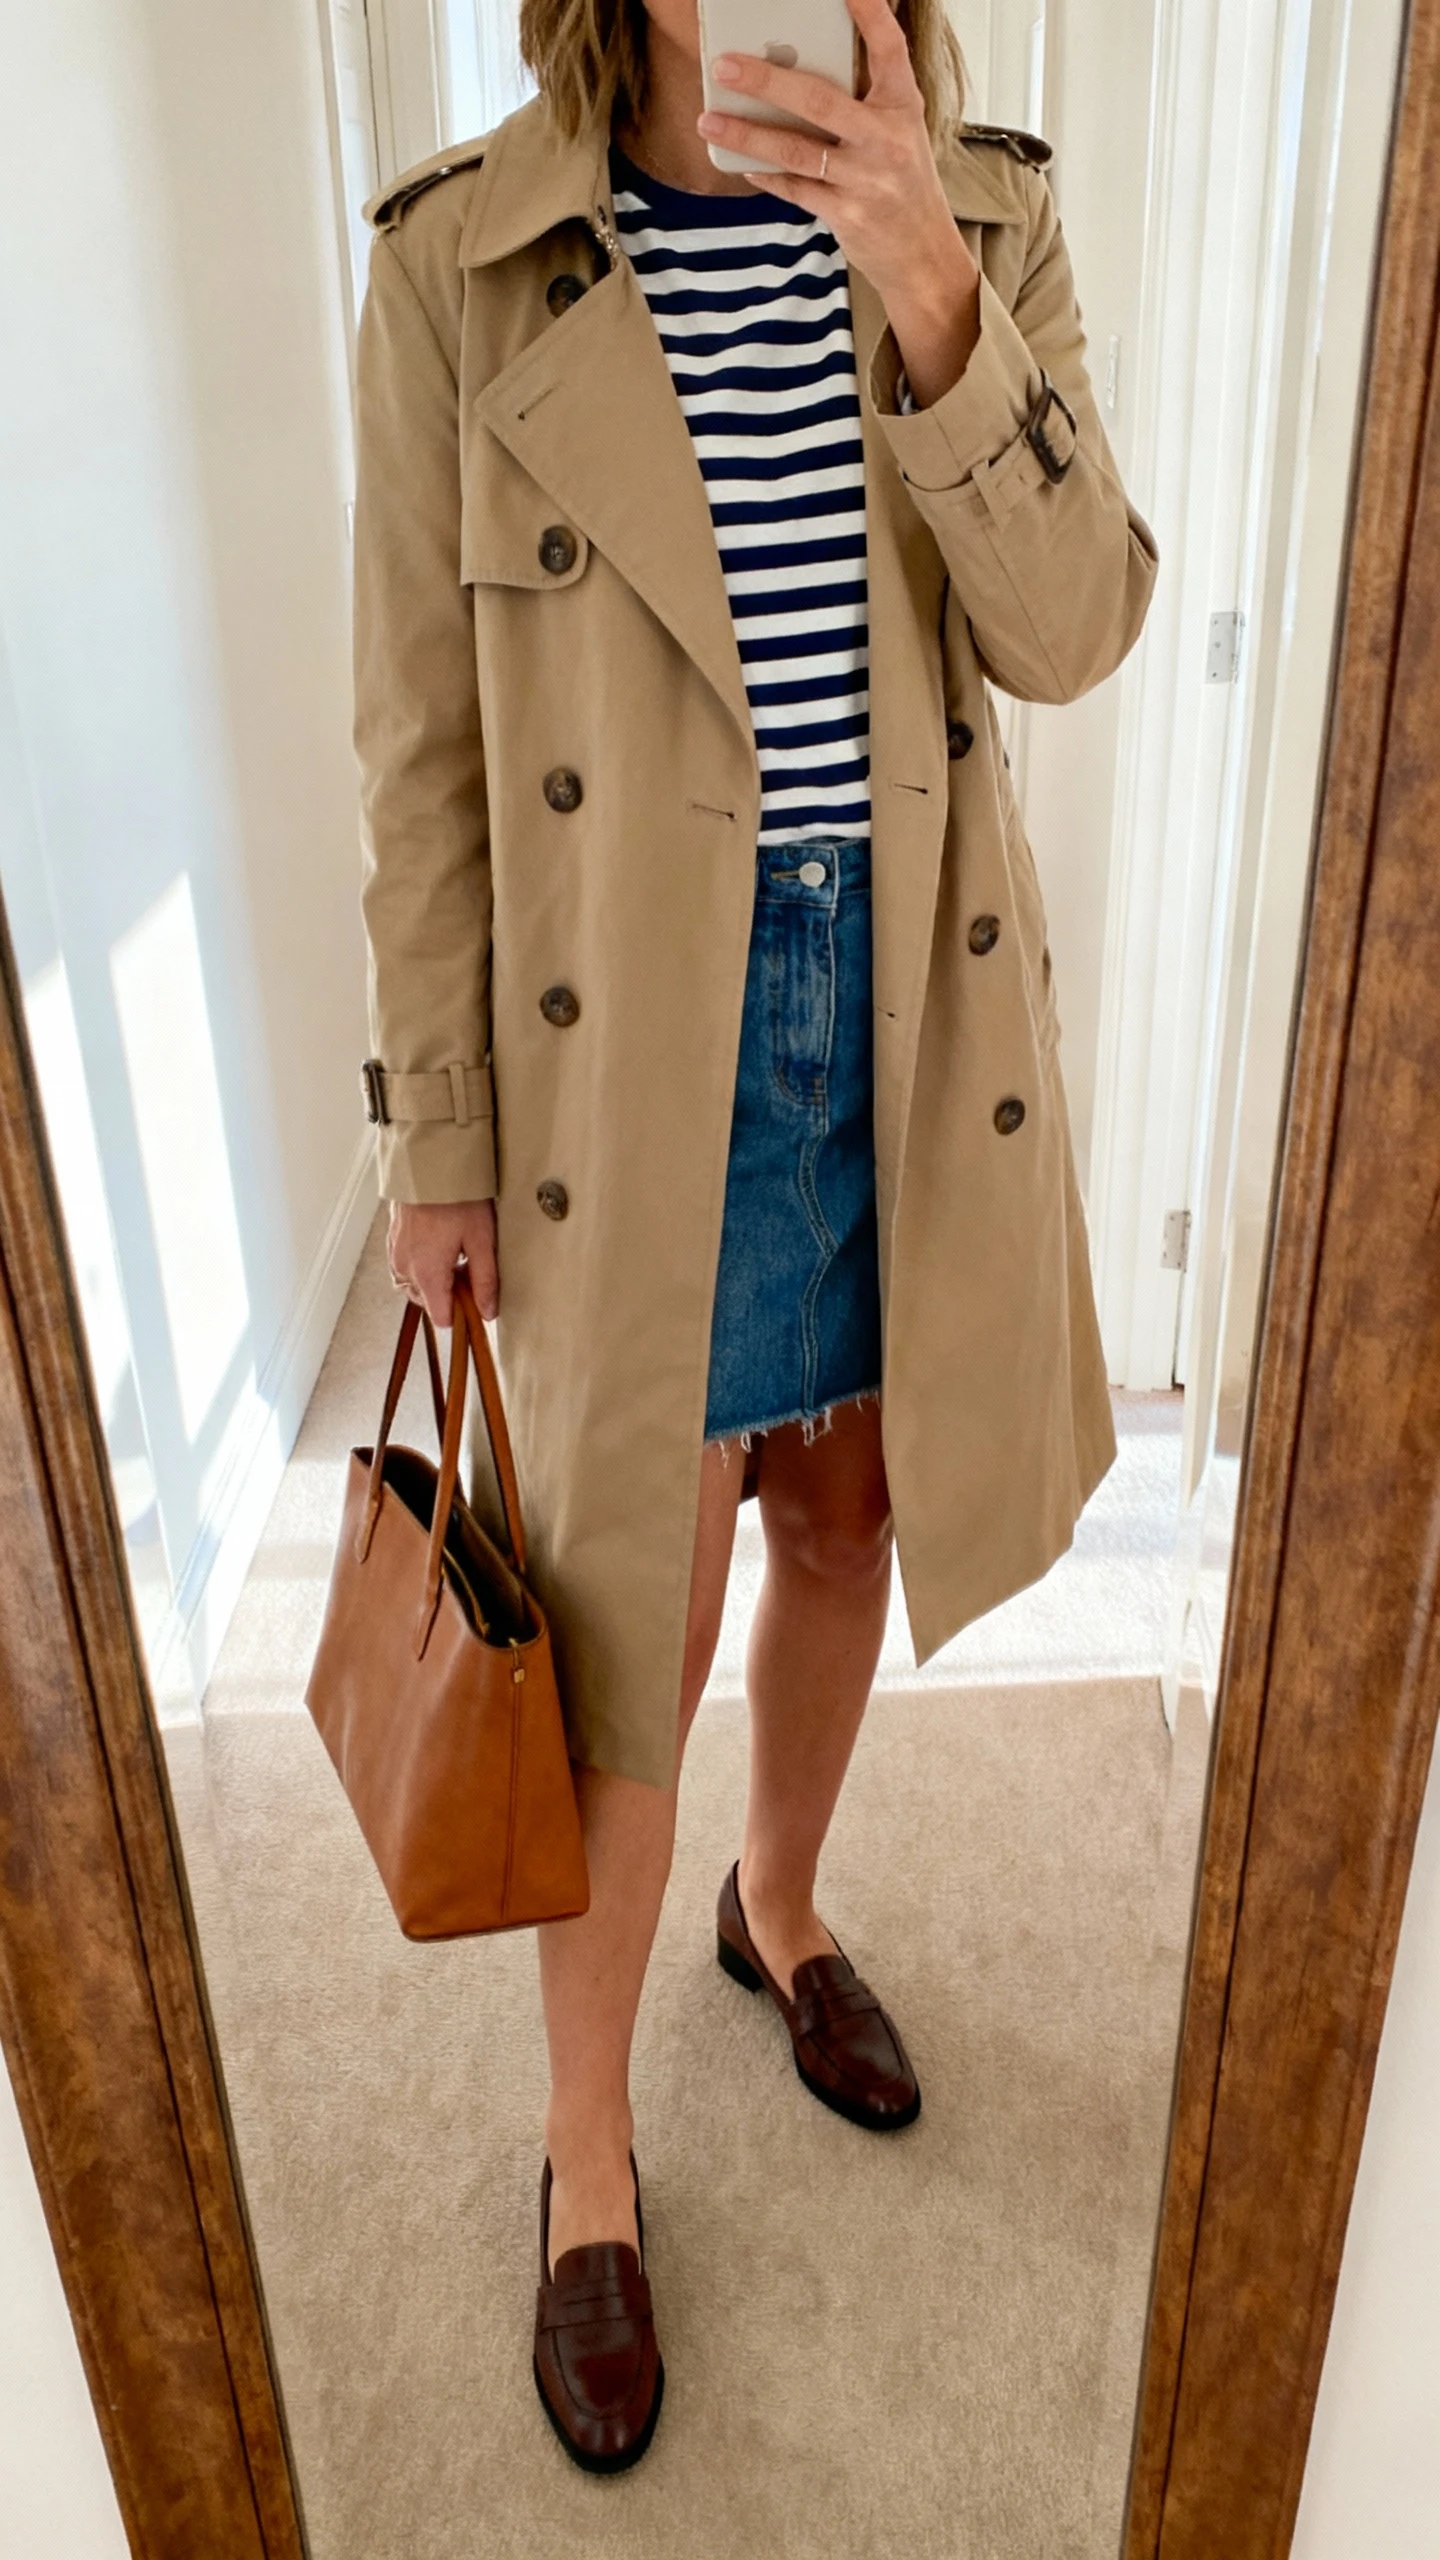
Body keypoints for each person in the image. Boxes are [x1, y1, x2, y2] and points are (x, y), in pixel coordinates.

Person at [354, 0, 1155, 2472]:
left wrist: (924, 277)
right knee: (634, 1607)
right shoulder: (462, 263)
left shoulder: (984, 212)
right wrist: (441, 1137)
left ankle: (775, 1902)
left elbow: (1076, 629)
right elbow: (419, 745)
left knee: (852, 1508)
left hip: (898, 994)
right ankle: (587, 2148)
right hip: (636, 1037)